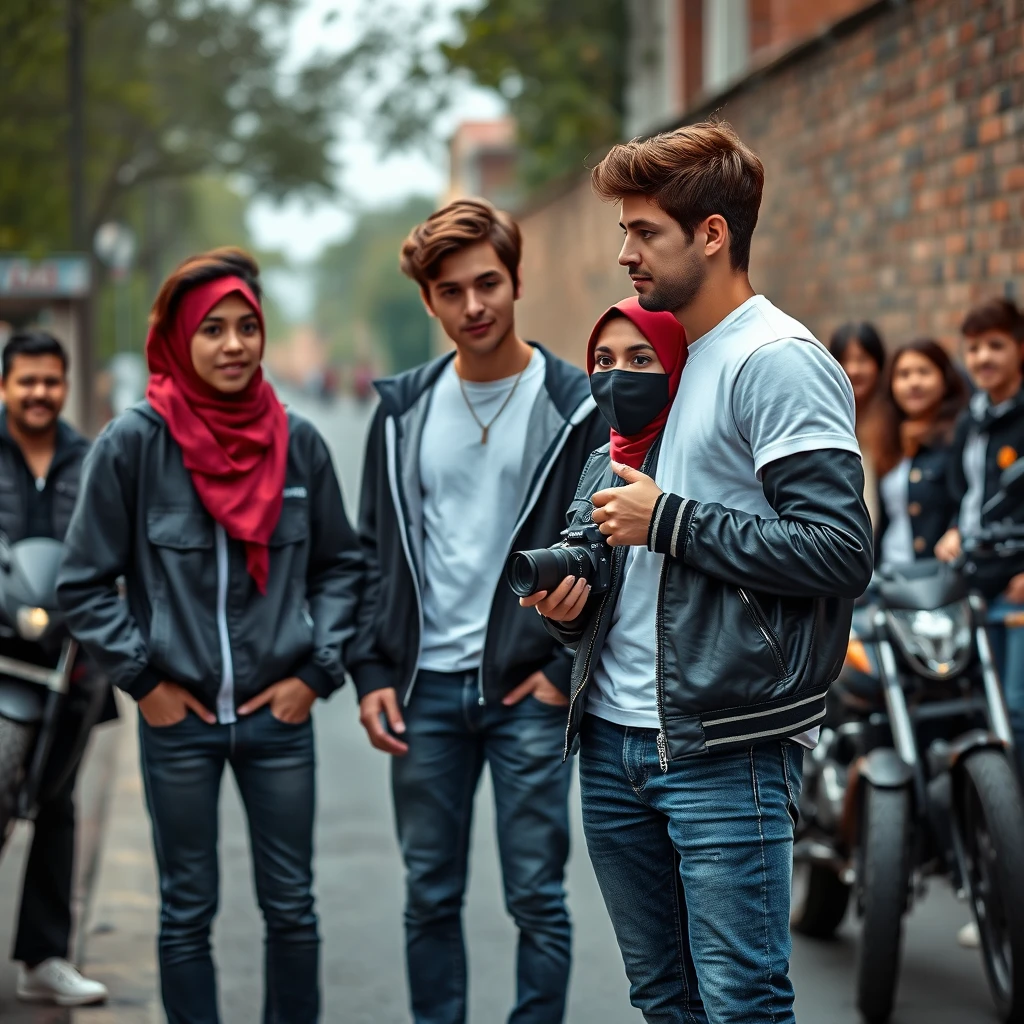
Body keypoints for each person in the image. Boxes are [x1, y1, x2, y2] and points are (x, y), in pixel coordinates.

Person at [530, 122, 873, 1024]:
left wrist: (669, 520)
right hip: (609, 733)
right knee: (664, 1000)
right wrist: (572, 609)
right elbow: (637, 562)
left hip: (724, 742)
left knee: (742, 1001)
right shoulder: (665, 356)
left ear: (712, 234)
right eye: (624, 232)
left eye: (643, 232)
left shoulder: (777, 362)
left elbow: (839, 550)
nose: (622, 253)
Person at [56, 248, 364, 1024]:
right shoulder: (134, 445)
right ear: (178, 341)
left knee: (292, 907)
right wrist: (145, 683)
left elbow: (343, 567)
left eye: (248, 328)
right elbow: (83, 583)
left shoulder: (300, 443)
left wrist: (315, 674)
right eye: (214, 329)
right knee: (186, 910)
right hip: (179, 723)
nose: (234, 345)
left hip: (278, 720)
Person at [351, 198, 607, 1024]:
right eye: (452, 291)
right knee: (429, 894)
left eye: (488, 283)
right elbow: (370, 554)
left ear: (517, 278)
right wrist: (370, 671)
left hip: (525, 690)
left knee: (536, 896)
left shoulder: (579, 407)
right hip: (424, 691)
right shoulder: (401, 411)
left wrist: (564, 669)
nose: (474, 307)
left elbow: (616, 555)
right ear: (429, 300)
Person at [0, 331, 113, 1007]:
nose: (39, 393)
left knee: (59, 804)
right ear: (5, 385)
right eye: (26, 381)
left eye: (51, 381)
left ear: (66, 384)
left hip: (70, 654)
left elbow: (111, 537)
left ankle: (43, 957)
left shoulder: (90, 457)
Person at [866, 339, 969, 569]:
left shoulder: (960, 435)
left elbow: (968, 501)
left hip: (939, 576)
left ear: (945, 381)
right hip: (889, 575)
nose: (913, 382)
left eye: (924, 372)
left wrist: (956, 530)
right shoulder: (888, 440)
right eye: (903, 374)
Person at [830, 322, 886, 523]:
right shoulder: (829, 418)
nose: (853, 370)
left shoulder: (895, 415)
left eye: (862, 360)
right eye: (844, 360)